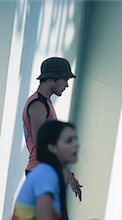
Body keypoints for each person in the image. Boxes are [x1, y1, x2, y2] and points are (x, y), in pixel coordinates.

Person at [22, 57, 82, 201]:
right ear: (53, 78)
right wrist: (65, 171)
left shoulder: (44, 103)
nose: (67, 85)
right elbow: (42, 144)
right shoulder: (38, 104)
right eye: (65, 79)